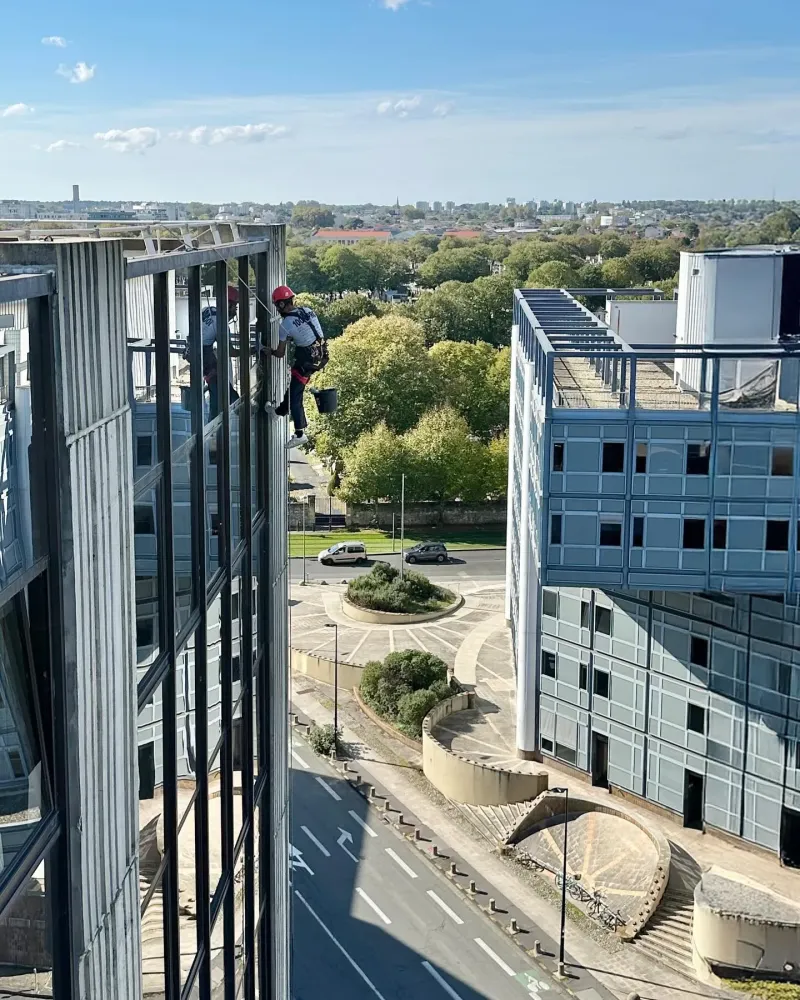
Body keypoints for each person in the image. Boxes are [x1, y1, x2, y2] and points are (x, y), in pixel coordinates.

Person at [266, 285, 327, 449]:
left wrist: (267, 351)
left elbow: (280, 353)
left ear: (280, 305)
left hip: (306, 360)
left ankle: (300, 433)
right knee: (294, 388)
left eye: (276, 306)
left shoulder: (285, 324)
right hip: (320, 354)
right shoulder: (307, 310)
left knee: (295, 395)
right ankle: (278, 412)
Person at [198, 285, 240, 419]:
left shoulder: (208, 310)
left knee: (216, 388)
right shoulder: (221, 323)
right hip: (203, 353)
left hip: (197, 350)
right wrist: (252, 350)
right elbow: (230, 351)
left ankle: (215, 419)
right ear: (227, 304)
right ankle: (241, 408)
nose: (235, 310)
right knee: (222, 386)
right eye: (234, 306)